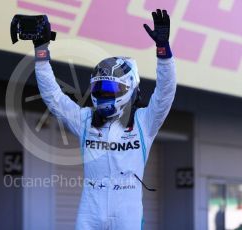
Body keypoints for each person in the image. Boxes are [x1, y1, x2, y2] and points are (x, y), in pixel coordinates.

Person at [33, 9, 176, 230]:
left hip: (127, 212)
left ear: (130, 89)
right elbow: (54, 98)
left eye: (110, 87)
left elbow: (165, 93)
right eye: (99, 87)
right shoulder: (85, 120)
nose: (104, 94)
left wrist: (163, 52)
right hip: (90, 209)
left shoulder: (144, 122)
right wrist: (41, 52)